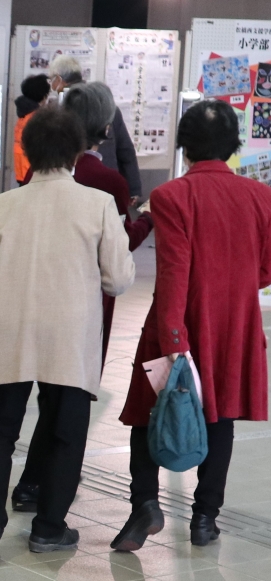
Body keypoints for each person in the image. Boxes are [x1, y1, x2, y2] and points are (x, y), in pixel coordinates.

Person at [111, 100, 271, 552]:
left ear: (183, 146)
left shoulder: (171, 196)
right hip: (234, 329)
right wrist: (233, 286)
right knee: (220, 417)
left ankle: (146, 504)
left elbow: (174, 273)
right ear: (233, 147)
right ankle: (205, 519)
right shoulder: (261, 196)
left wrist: (173, 340)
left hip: (176, 327)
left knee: (147, 416)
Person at [12, 83, 154, 514]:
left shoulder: (13, 197)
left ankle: (26, 490)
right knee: (67, 418)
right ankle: (50, 522)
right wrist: (145, 223)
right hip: (77, 316)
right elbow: (117, 272)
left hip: (15, 319)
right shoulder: (101, 193)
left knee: (7, 425)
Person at [48, 55, 142, 203]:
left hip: (68, 181)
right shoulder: (107, 107)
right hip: (108, 179)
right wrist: (133, 188)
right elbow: (126, 150)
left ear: (59, 79)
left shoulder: (59, 109)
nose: (51, 84)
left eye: (51, 79)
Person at [13, 74, 50, 185]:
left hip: (22, 172)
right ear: (44, 96)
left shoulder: (24, 115)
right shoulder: (38, 119)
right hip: (33, 175)